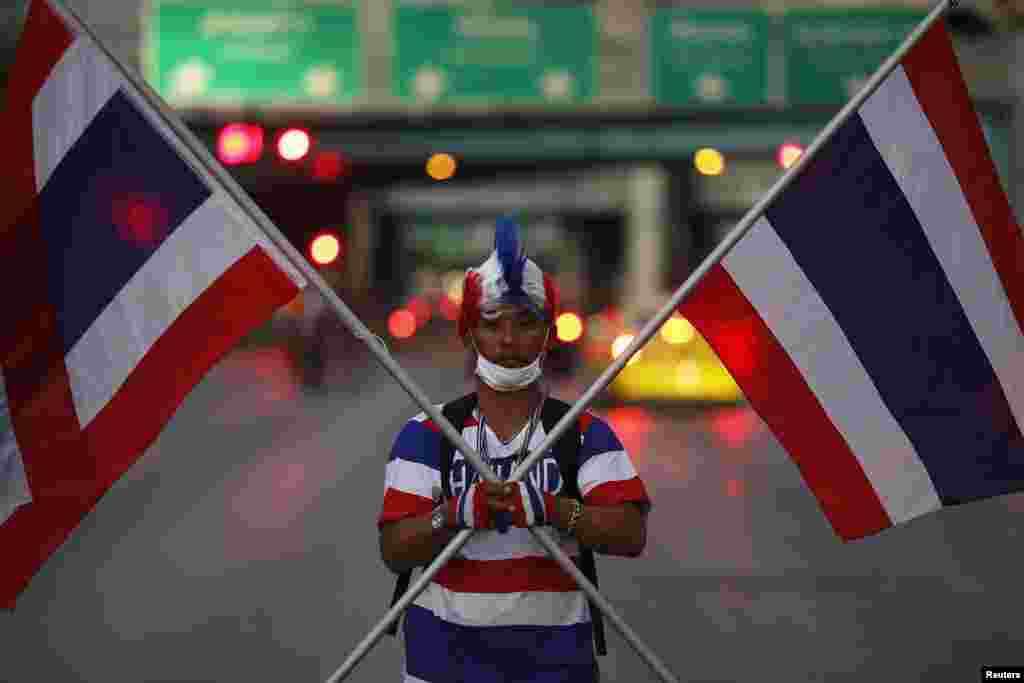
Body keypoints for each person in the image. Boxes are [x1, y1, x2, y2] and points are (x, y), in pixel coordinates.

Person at [378, 217, 652, 683]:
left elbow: (631, 535)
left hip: (556, 667)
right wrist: (455, 513)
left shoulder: (583, 432)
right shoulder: (427, 433)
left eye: (526, 323)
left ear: (548, 332)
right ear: (469, 331)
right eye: (492, 324)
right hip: (441, 666)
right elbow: (394, 551)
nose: (508, 341)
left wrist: (554, 509)